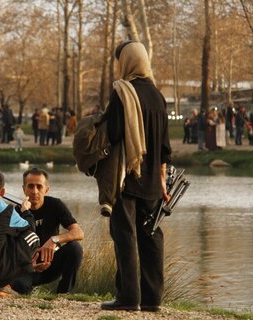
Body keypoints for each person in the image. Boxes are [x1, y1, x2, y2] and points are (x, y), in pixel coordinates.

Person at [100, 41, 172, 312]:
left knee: (125, 235)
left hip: (127, 177)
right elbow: (165, 146)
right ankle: (153, 300)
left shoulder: (122, 92)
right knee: (151, 236)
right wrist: (163, 177)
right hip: (153, 180)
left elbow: (116, 133)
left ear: (126, 62)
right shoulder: (158, 95)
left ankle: (128, 298)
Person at [10, 168, 84, 295]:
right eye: (31, 186)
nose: (35, 191)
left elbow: (78, 233)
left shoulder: (55, 205)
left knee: (75, 248)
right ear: (24, 189)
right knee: (19, 286)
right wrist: (29, 264)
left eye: (39, 187)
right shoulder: (15, 212)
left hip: (51, 265)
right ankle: (27, 298)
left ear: (46, 189)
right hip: (27, 269)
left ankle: (63, 294)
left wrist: (54, 240)